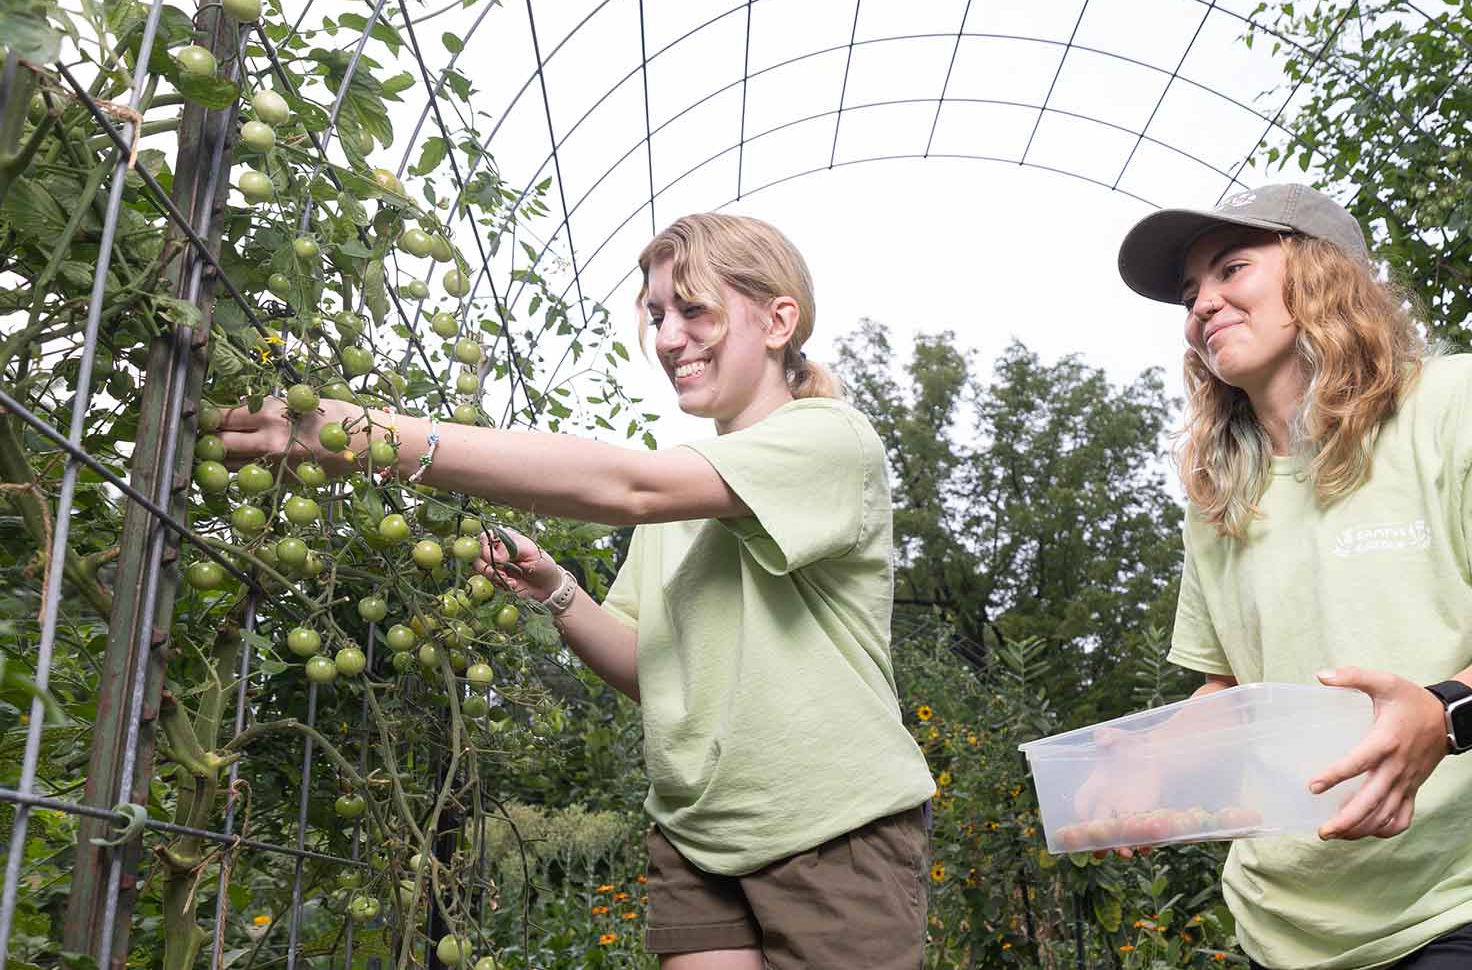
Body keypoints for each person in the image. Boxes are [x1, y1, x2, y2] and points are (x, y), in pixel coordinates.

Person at [215, 213, 934, 969]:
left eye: (694, 310)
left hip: (831, 826)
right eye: (657, 315)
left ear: (779, 318)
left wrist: (365, 436)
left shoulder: (829, 440)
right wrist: (557, 591)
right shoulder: (680, 494)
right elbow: (646, 666)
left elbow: (628, 486)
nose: (667, 337)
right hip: (697, 832)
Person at [1103, 183, 1472, 970]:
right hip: (1288, 932)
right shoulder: (1218, 498)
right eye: (1191, 293)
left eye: (1232, 269)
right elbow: (1232, 688)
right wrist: (1153, 763)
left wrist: (1446, 715)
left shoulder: (1459, 403)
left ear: (1320, 273)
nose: (1202, 304)